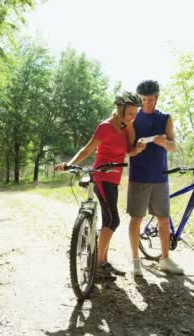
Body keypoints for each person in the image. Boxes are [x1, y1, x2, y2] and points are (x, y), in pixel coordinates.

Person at [56, 91, 146, 280]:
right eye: (131, 113)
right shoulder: (104, 128)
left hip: (114, 180)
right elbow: (87, 149)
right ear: (120, 110)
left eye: (135, 113)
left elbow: (128, 151)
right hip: (101, 177)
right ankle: (96, 263)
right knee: (113, 220)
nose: (133, 117)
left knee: (108, 220)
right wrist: (70, 163)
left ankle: (102, 261)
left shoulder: (128, 127)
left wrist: (136, 149)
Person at [127, 80, 184, 276]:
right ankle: (135, 261)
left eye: (150, 100)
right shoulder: (133, 119)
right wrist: (136, 149)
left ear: (157, 98)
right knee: (136, 218)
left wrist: (165, 143)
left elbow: (174, 146)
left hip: (160, 177)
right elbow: (128, 150)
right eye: (143, 100)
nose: (146, 104)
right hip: (138, 176)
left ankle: (165, 259)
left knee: (163, 219)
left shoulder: (166, 118)